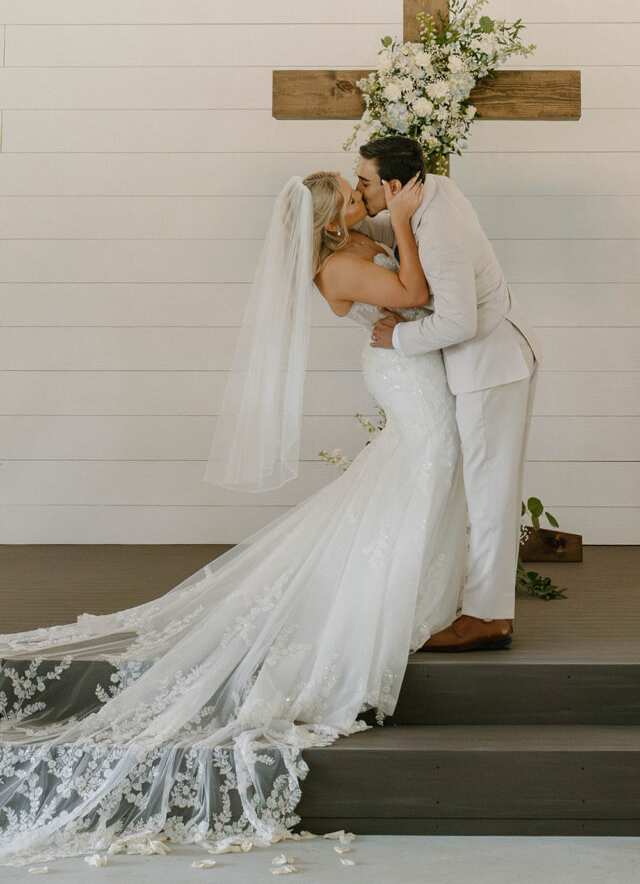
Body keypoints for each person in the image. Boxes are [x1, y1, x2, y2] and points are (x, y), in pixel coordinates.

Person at [0, 166, 472, 868]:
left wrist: (404, 217)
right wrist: (403, 221)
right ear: (329, 220)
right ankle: (399, 598)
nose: (359, 198)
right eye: (349, 195)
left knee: (418, 478)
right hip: (405, 377)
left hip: (411, 368)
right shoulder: (338, 266)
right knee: (426, 470)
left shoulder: (349, 245)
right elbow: (417, 294)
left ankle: (428, 590)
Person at [353, 136, 542, 652]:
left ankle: (487, 617)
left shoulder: (438, 229)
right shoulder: (429, 191)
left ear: (394, 186)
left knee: (489, 491)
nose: (357, 188)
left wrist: (398, 337)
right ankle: (482, 602)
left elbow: (458, 321)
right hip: (492, 353)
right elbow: (382, 225)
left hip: (489, 364)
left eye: (364, 182)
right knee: (483, 485)